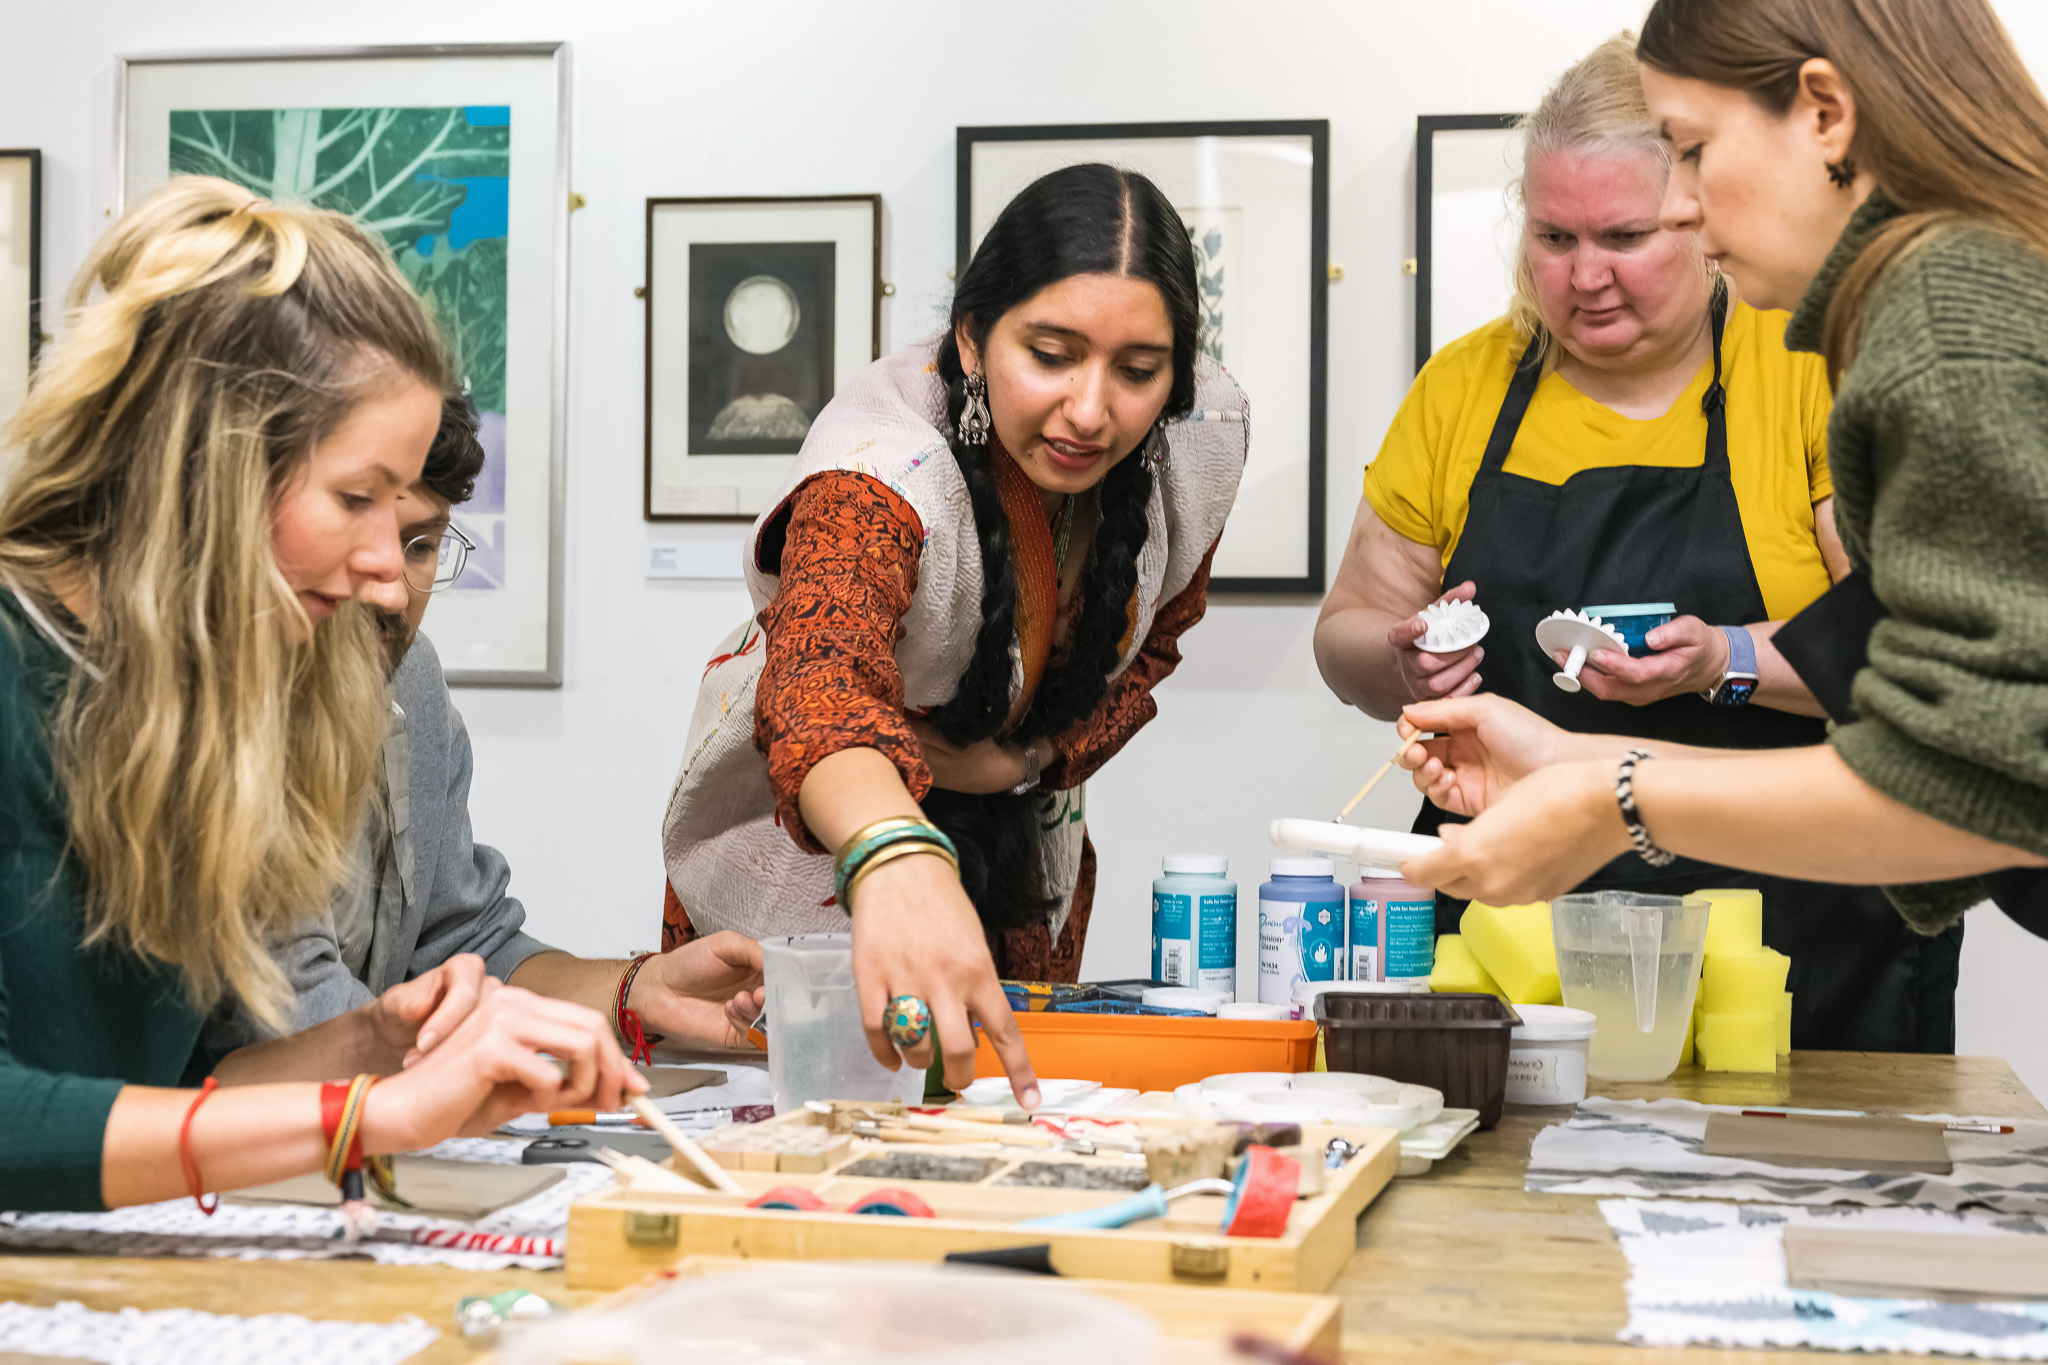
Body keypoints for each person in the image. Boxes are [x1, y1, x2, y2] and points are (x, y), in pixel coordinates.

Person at [0, 177, 638, 1213]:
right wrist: (366, 1114)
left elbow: (155, 1100)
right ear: (207, 462)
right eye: (356, 499)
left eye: (406, 515)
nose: (390, 569)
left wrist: (369, 1047)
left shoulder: (175, 708)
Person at [1314, 35, 1950, 1051]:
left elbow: (1904, 658)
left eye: (1621, 235)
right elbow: (1343, 634)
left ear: (1701, 216)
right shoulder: (1464, 388)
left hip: (1799, 928)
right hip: (1516, 926)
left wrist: (1723, 660)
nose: (1583, 277)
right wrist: (1399, 658)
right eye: (1553, 237)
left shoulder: (1805, 366)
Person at [1392, 0, 2048, 943]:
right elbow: (1923, 754)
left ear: (1825, 114)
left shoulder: (1943, 320)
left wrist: (1601, 803)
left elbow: (1964, 783)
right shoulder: (1965, 293)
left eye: (1691, 149)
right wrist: (1572, 765)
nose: (1685, 204)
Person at [660, 163, 1249, 1103]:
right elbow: (819, 682)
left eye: (1138, 371)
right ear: (973, 338)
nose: (1092, 411)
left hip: (1020, 850)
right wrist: (895, 851)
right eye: (1050, 355)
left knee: (1000, 1123)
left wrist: (1021, 762)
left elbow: (1152, 654)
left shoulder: (1199, 437)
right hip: (827, 837)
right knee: (816, 1133)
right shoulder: (878, 469)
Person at [208, 395, 764, 1086]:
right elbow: (296, 1017)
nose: (393, 589)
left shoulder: (411, 679)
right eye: (356, 527)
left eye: (422, 544)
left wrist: (639, 990)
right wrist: (506, 1064)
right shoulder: (221, 712)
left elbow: (469, 943)